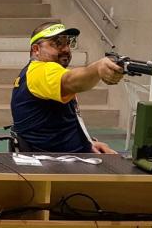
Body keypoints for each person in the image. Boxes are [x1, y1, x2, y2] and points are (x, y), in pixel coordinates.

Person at [10, 22, 123, 153]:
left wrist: (88, 143)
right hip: (58, 166)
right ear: (36, 49)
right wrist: (97, 68)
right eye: (57, 43)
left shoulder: (35, 73)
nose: (65, 49)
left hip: (64, 158)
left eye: (67, 43)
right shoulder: (41, 71)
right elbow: (71, 81)